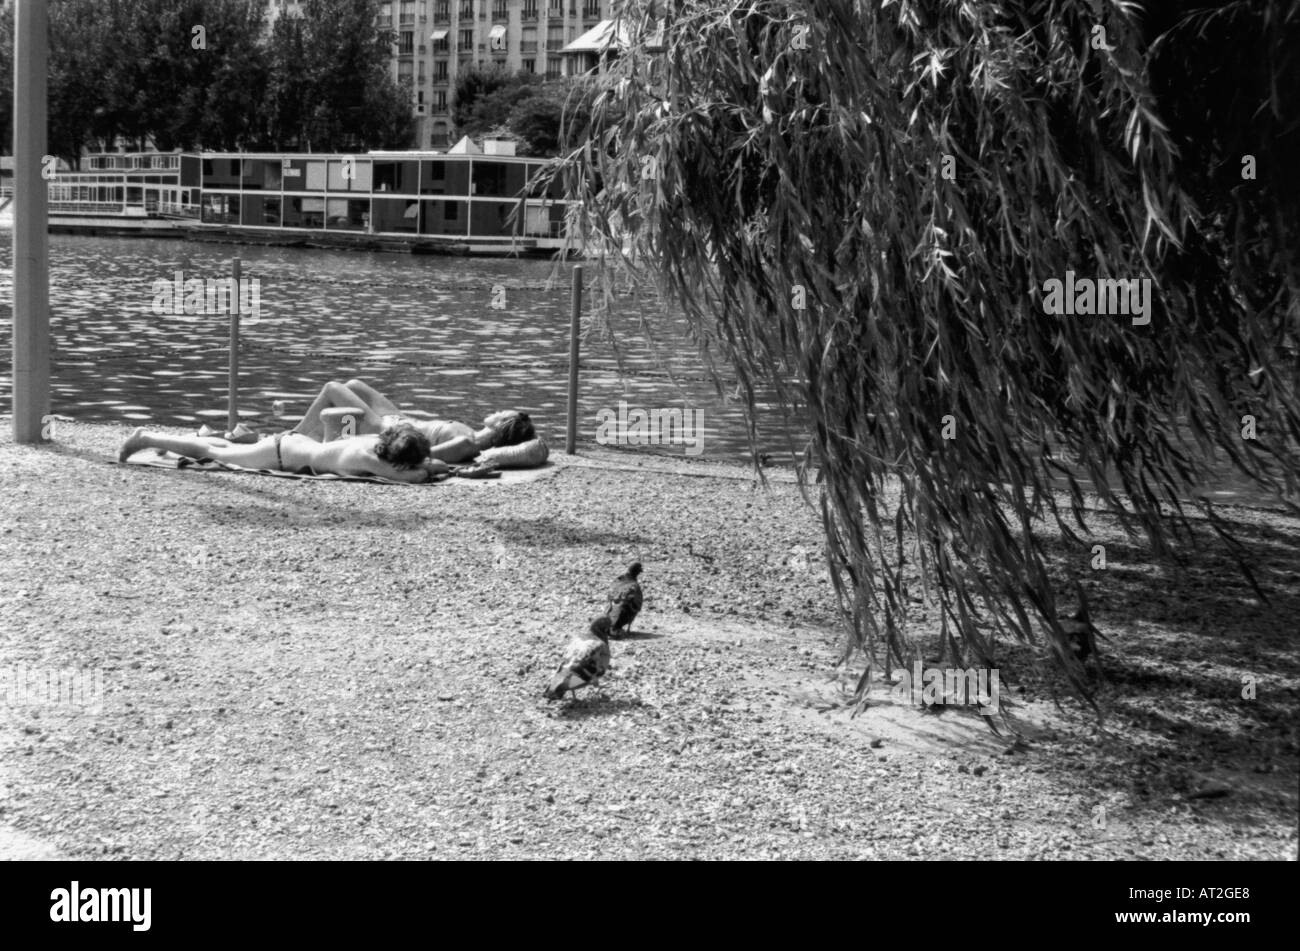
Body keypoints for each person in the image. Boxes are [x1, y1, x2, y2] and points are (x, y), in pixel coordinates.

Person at [290, 378, 535, 464]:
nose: (498, 409)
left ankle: (294, 436)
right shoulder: (469, 434)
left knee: (333, 388)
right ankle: (310, 437)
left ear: (500, 426)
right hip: (398, 420)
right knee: (354, 385)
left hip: (385, 430)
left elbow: (423, 455)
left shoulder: (467, 442)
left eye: (502, 413)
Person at [118, 422, 449, 483]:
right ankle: (146, 438)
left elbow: (422, 466)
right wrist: (433, 468)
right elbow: (417, 476)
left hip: (290, 445)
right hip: (280, 455)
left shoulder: (373, 443)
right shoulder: (370, 461)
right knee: (208, 449)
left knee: (224, 448)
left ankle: (153, 436)